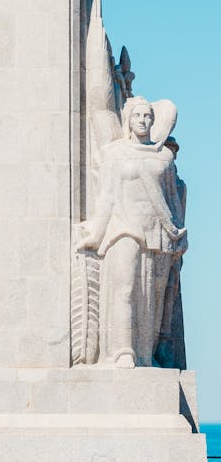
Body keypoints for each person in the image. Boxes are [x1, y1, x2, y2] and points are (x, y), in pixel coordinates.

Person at [76, 96, 186, 367]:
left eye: (148, 116)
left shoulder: (164, 157)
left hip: (157, 232)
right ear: (128, 120)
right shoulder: (115, 154)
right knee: (124, 288)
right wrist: (95, 233)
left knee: (150, 297)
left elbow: (172, 200)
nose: (143, 121)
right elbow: (106, 198)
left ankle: (145, 354)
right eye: (138, 116)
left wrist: (178, 235)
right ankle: (123, 350)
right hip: (123, 227)